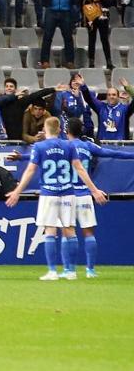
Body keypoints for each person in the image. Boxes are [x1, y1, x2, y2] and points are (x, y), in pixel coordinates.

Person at [4, 116, 108, 280]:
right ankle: (71, 271)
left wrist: (17, 191)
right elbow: (80, 169)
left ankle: (52, 271)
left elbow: (30, 170)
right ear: (59, 130)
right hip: (68, 192)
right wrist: (94, 190)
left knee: (50, 230)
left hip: (49, 193)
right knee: (70, 230)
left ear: (45, 130)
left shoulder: (39, 146)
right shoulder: (69, 145)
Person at [63, 118, 134, 277]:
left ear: (66, 131)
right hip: (85, 194)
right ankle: (90, 270)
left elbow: (42, 157)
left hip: (67, 194)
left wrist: (22, 158)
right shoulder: (88, 146)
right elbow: (113, 153)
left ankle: (69, 270)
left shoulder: (63, 146)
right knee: (89, 233)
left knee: (68, 232)